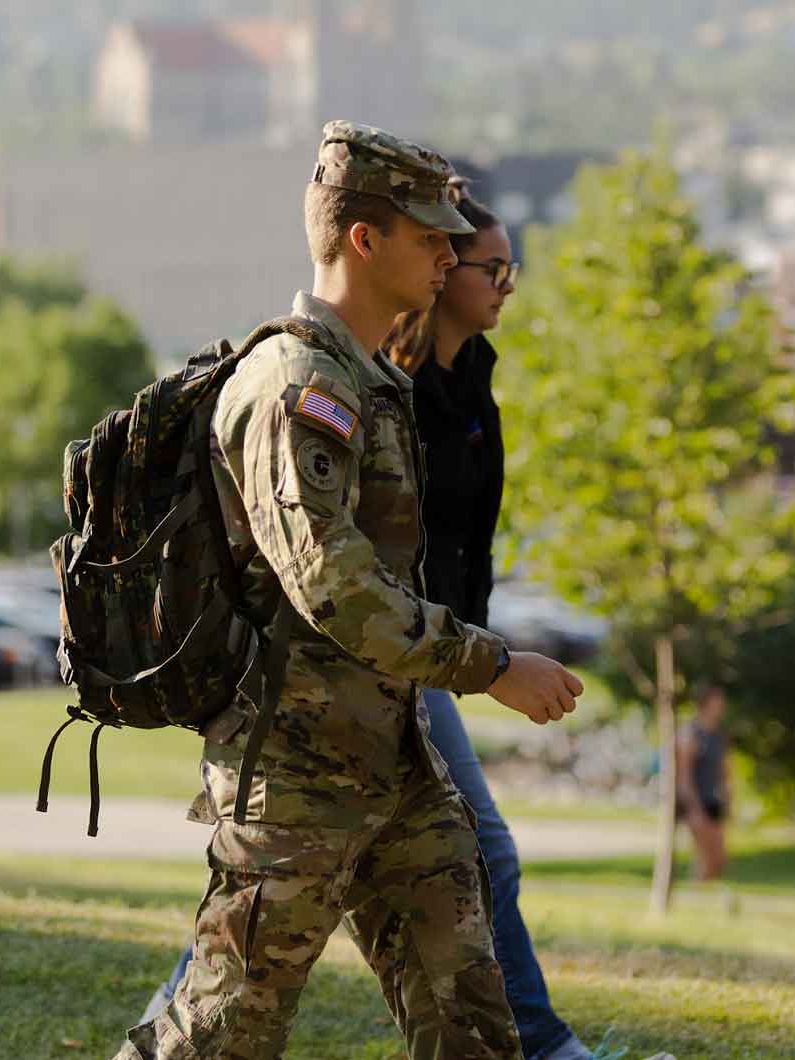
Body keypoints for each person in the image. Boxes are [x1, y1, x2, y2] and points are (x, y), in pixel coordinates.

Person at [113, 120, 585, 1060]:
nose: (451, 251)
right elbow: (334, 585)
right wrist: (491, 665)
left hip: (396, 763)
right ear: (363, 239)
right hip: (294, 778)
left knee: (474, 1024)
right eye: (429, 235)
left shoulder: (371, 380)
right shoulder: (299, 385)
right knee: (217, 1037)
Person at [677, 685, 732, 882]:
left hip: (713, 800)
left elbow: (724, 771)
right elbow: (684, 775)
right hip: (695, 801)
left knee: (720, 859)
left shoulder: (718, 734)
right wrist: (694, 809)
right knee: (706, 855)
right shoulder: (690, 732)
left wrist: (728, 799)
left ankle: (701, 896)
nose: (722, 706)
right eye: (717, 701)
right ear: (705, 704)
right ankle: (697, 894)